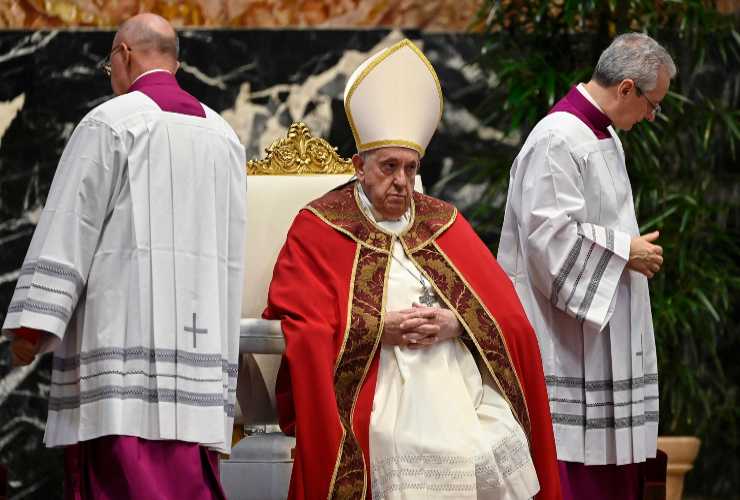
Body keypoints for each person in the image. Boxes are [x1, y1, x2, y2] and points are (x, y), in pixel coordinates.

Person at [264, 38, 561, 500]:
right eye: (388, 167)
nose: (401, 181)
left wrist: (458, 323)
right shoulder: (319, 225)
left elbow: (510, 318)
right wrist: (376, 329)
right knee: (413, 446)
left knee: (497, 438)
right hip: (374, 382)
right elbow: (301, 323)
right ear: (359, 166)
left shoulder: (442, 220)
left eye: (410, 167)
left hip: (456, 377)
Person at [4, 13, 246, 499]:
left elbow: (71, 227)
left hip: (121, 351)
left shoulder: (110, 123)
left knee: (125, 473)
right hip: (199, 351)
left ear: (124, 54)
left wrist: (34, 326)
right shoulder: (224, 136)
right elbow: (232, 252)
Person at [497, 33, 675, 500]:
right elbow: (547, 243)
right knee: (573, 473)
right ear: (627, 89)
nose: (651, 116)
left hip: (600, 338)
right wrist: (625, 251)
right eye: (653, 104)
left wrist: (625, 251)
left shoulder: (604, 136)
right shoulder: (556, 138)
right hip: (566, 341)